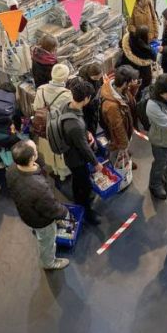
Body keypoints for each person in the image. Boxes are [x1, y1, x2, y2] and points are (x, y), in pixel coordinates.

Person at [6, 140, 70, 271]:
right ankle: (49, 263)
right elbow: (51, 208)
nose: (38, 151)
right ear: (31, 158)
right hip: (41, 221)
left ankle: (37, 232)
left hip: (26, 212)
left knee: (40, 232)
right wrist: (64, 213)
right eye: (36, 149)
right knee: (47, 242)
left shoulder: (12, 168)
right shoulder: (37, 187)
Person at [54, 78, 105, 225]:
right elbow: (84, 148)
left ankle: (79, 198)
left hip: (70, 154)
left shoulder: (67, 106)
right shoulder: (75, 125)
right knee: (84, 185)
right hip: (77, 159)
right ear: (87, 98)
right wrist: (96, 163)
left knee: (77, 181)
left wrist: (86, 132)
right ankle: (87, 211)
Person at [32, 62, 72, 180]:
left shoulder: (41, 89)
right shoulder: (66, 94)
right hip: (58, 129)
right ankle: (63, 174)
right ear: (65, 77)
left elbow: (36, 108)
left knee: (49, 150)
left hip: (44, 127)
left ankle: (55, 170)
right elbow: (68, 115)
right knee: (60, 152)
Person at [101, 66, 139, 170]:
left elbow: (131, 101)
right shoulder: (111, 106)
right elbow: (117, 126)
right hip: (117, 136)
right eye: (132, 81)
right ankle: (119, 168)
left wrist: (135, 86)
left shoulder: (120, 88)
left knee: (123, 150)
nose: (134, 81)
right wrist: (124, 144)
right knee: (118, 153)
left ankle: (126, 160)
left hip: (127, 125)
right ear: (125, 83)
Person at [118, 25, 158, 89]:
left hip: (126, 68)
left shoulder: (128, 38)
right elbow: (154, 58)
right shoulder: (148, 50)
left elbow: (120, 43)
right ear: (145, 36)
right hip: (140, 73)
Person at [76, 61, 104, 136]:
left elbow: (100, 83)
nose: (98, 79)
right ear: (90, 75)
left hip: (95, 102)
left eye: (100, 76)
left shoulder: (98, 75)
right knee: (90, 124)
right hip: (88, 107)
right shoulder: (83, 83)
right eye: (95, 78)